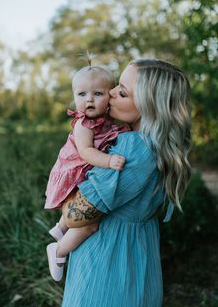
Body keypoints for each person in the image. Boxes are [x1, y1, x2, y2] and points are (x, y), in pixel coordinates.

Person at [60, 58, 191, 307]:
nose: (109, 93)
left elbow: (76, 217)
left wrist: (62, 189)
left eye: (122, 92)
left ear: (148, 106)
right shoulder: (158, 146)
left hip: (107, 269)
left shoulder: (134, 148)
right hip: (138, 258)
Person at [45, 62, 129, 281]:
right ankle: (59, 250)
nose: (89, 99)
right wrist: (109, 161)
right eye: (82, 94)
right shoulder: (84, 124)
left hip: (85, 172)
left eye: (98, 93)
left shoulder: (107, 120)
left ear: (110, 96)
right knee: (88, 224)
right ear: (74, 96)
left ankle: (60, 227)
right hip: (76, 169)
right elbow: (86, 152)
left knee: (82, 206)